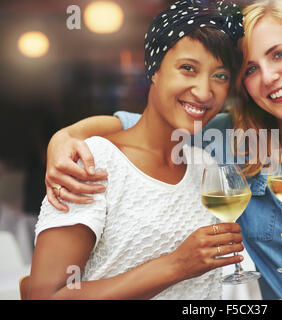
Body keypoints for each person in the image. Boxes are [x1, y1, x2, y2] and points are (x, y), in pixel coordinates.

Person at [44, 0, 282, 299]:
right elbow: (140, 125)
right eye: (250, 69)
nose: (269, 77)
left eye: (279, 54)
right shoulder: (227, 140)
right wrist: (64, 138)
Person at [30, 0, 246, 300]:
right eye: (187, 68)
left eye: (220, 76)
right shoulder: (94, 162)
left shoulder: (205, 164)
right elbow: (43, 297)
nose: (204, 91)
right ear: (154, 71)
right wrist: (176, 265)